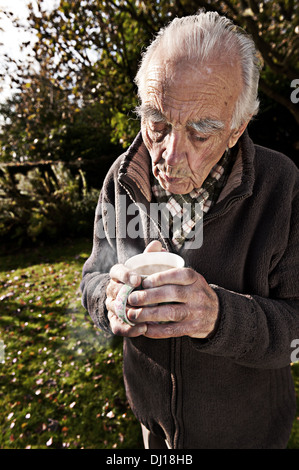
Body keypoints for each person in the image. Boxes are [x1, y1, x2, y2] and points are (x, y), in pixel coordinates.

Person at [80, 12, 299, 449]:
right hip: (154, 432)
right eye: (158, 124)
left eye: (201, 132)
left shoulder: (282, 185)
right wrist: (109, 300)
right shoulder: (120, 179)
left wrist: (217, 315)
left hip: (248, 434)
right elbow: (91, 278)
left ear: (236, 129)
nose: (169, 155)